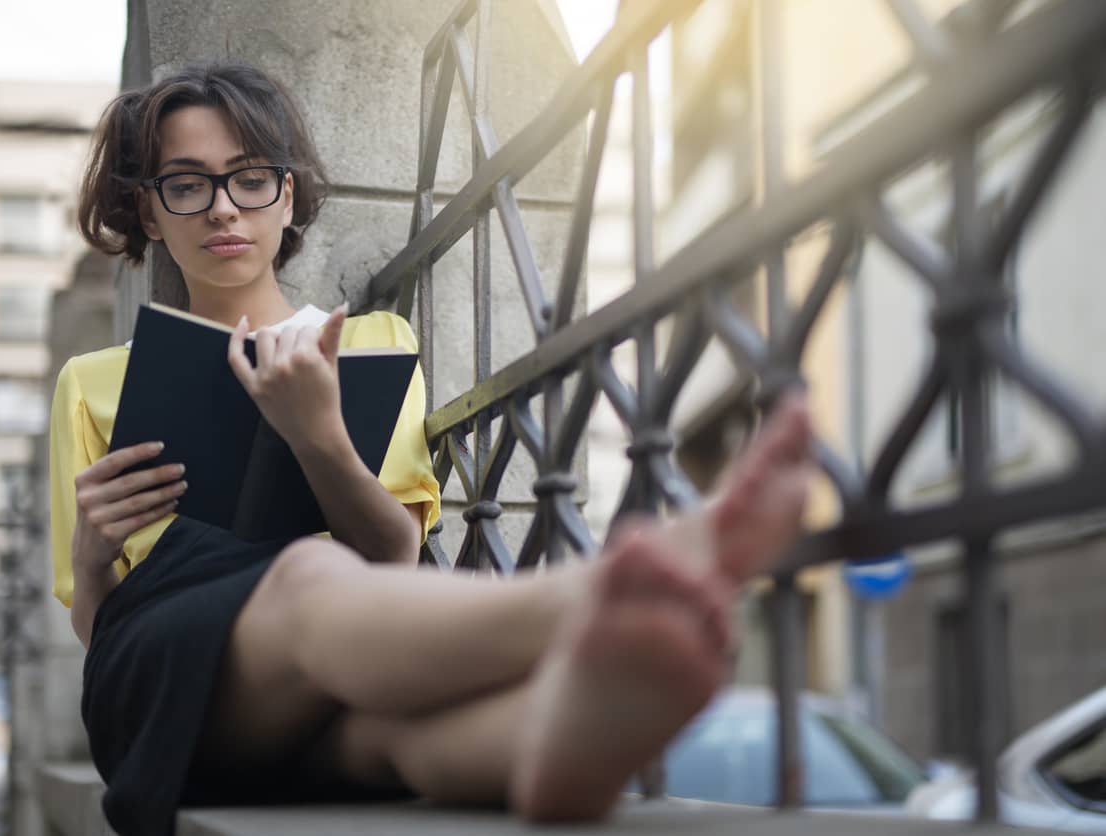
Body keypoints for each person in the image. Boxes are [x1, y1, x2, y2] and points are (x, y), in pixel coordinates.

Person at [50, 61, 814, 836]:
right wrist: (89, 560)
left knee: (395, 743)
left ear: (286, 195)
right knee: (309, 571)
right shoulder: (93, 382)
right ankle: (607, 587)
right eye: (186, 185)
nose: (222, 210)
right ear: (149, 211)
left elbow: (392, 553)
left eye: (248, 179)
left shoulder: (374, 345)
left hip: (326, 693)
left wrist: (317, 436)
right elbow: (94, 627)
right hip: (159, 682)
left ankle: (552, 748)